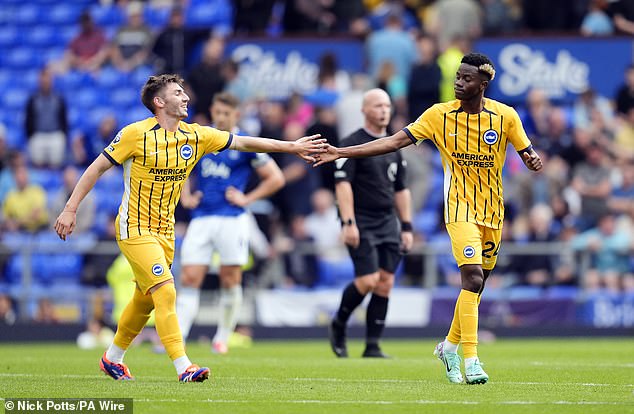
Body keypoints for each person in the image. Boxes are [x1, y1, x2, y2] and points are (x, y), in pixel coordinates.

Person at [53, 73, 325, 383]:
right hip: (135, 228)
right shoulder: (134, 134)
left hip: (166, 232)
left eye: (184, 92)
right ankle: (184, 366)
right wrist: (70, 209)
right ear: (159, 102)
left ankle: (112, 358)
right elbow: (96, 168)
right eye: (177, 93)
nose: (185, 98)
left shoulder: (196, 136)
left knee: (144, 301)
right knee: (166, 292)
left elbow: (245, 142)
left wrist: (291, 146)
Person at [315, 53, 543, 384]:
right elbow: (393, 142)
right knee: (473, 280)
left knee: (474, 291)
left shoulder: (505, 116)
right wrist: (341, 151)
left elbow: (527, 152)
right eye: (457, 77)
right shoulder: (438, 115)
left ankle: (449, 347)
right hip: (459, 209)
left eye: (466, 78)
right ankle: (472, 360)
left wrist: (533, 161)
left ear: (483, 84)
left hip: (493, 212)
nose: (459, 82)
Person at [176, 92, 285, 354]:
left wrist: (247, 198)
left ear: (236, 115)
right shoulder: (203, 139)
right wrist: (186, 196)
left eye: (226, 113)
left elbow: (276, 178)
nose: (221, 117)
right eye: (218, 112)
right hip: (201, 218)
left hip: (232, 219)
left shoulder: (245, 143)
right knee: (190, 277)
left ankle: (222, 337)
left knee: (230, 278)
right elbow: (179, 169)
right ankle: (177, 340)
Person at [327, 88, 413, 359]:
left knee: (385, 282)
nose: (384, 110)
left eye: (387, 105)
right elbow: (343, 185)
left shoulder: (394, 146)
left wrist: (407, 226)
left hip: (388, 220)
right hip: (361, 220)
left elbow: (401, 190)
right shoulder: (351, 144)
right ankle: (339, 323)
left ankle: (372, 346)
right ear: (364, 110)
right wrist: (348, 222)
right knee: (367, 280)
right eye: (377, 106)